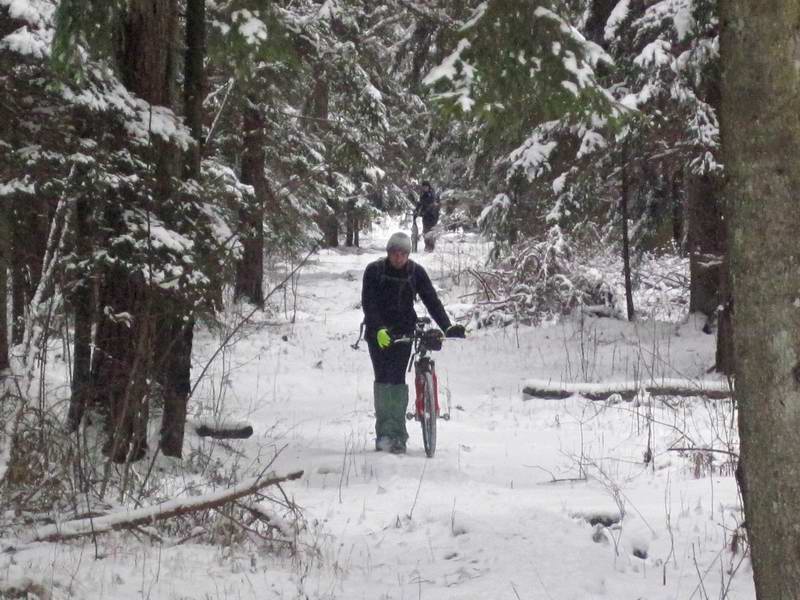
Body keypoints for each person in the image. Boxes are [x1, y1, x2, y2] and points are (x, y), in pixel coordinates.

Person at [361, 232, 466, 453]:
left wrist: (447, 326)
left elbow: (431, 300)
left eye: (403, 253)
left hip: (403, 330)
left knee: (397, 380)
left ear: (408, 254)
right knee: (383, 379)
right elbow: (369, 304)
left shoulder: (415, 272)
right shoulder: (374, 271)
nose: (398, 257)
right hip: (378, 333)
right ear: (388, 253)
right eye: (394, 253)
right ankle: (384, 434)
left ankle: (398, 436)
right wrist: (378, 328)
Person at [415, 181, 440, 252]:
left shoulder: (432, 194)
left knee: (431, 231)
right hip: (426, 216)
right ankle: (427, 246)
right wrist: (417, 210)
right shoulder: (424, 194)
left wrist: (424, 211)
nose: (424, 188)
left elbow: (432, 205)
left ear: (428, 187)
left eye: (425, 187)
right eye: (423, 187)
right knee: (425, 231)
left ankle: (431, 247)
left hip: (433, 216)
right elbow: (421, 203)